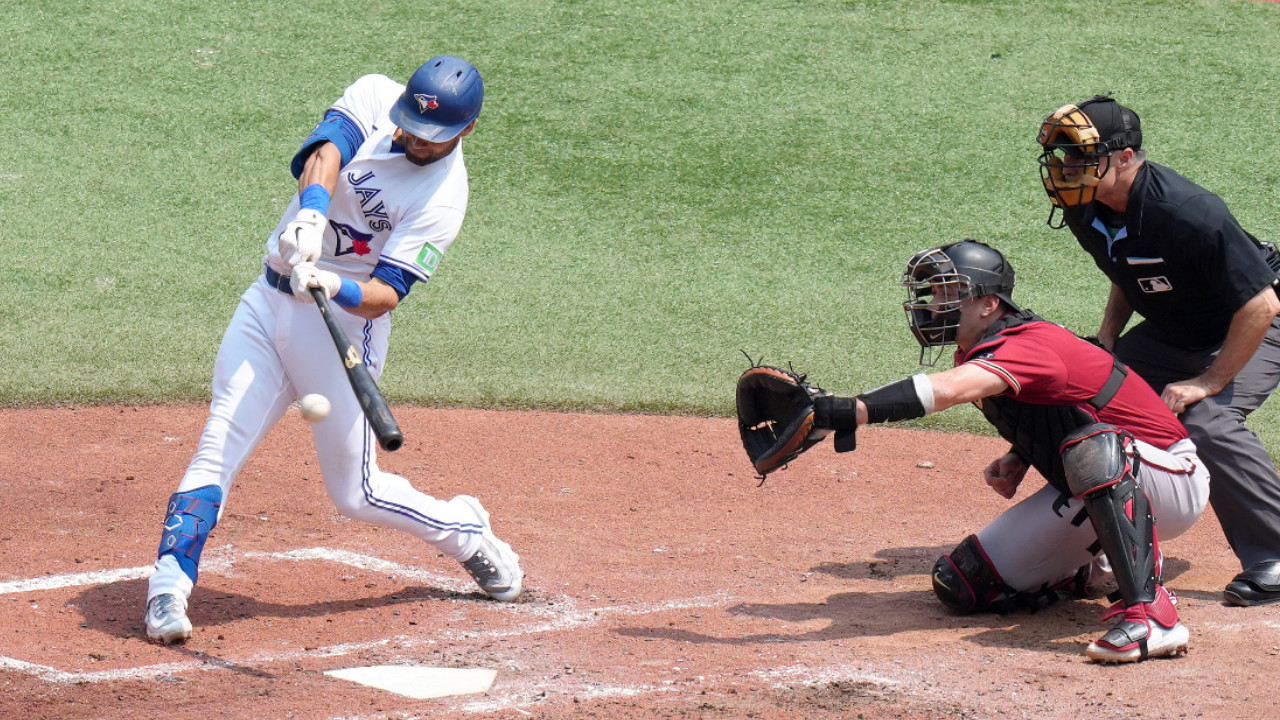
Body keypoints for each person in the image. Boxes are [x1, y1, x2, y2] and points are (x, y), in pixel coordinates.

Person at [144, 56, 524, 645]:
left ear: (465, 130)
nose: (413, 140)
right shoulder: (376, 95)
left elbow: (384, 295)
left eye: (430, 138)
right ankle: (168, 586)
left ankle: (466, 531)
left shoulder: (444, 199)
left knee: (357, 494)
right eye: (409, 127)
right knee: (218, 442)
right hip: (267, 303)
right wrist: (313, 214)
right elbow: (326, 152)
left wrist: (335, 284)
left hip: (343, 329)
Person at [807, 240, 1209, 663]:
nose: (933, 304)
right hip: (1102, 481)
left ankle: (1153, 617)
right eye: (933, 293)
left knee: (1093, 449)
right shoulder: (982, 348)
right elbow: (1062, 409)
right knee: (962, 582)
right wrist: (1022, 453)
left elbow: (943, 390)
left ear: (988, 303)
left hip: (1171, 479)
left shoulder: (1028, 343)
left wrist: (844, 411)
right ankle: (1096, 568)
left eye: (948, 292)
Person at [1036, 94, 1280, 606]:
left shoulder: (1187, 211)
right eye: (1060, 157)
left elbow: (1260, 305)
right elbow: (1130, 270)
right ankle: (1101, 543)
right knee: (1091, 391)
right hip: (1183, 326)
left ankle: (1274, 553)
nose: (1065, 169)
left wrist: (1208, 381)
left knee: (1206, 417)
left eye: (1081, 156)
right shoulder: (1088, 207)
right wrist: (1107, 341)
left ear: (1125, 157)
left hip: (1260, 315)